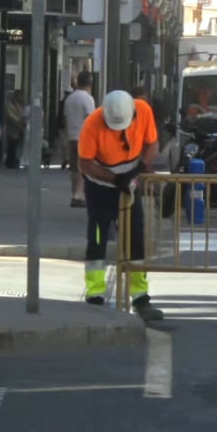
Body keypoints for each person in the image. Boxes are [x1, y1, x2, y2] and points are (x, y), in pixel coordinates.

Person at [79, 89, 164, 320]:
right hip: (99, 187)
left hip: (130, 186)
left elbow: (152, 144)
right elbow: (85, 163)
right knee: (97, 236)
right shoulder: (92, 124)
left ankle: (140, 297)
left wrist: (139, 169)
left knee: (135, 238)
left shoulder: (143, 111)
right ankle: (94, 294)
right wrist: (116, 179)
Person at [62, 72, 96, 208]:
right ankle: (78, 195)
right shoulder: (88, 99)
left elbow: (65, 118)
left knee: (75, 167)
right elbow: (91, 119)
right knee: (84, 167)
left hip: (71, 135)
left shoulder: (69, 99)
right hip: (84, 137)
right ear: (89, 83)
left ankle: (74, 193)